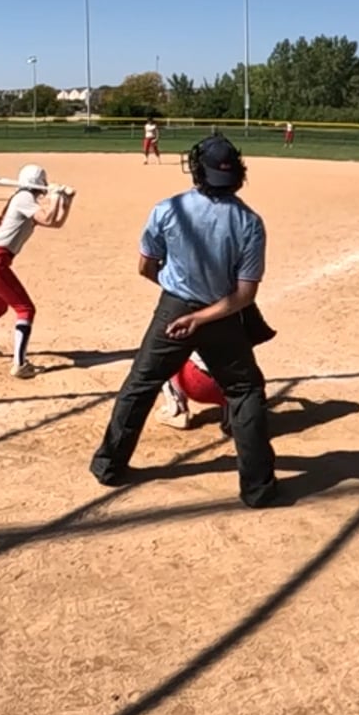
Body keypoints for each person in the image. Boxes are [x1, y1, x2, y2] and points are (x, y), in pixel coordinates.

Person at [90, 135, 278, 507]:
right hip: (222, 315)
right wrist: (201, 317)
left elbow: (146, 267)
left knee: (141, 384)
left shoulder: (167, 209)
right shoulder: (250, 222)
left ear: (197, 170)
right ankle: (257, 488)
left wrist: (181, 302)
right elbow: (245, 294)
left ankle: (109, 466)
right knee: (244, 391)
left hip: (173, 310)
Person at [0, 164, 73, 379]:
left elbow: (56, 223)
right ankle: (20, 364)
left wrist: (66, 201)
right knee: (25, 309)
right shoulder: (24, 197)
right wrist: (54, 196)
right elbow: (48, 218)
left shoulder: (26, 199)